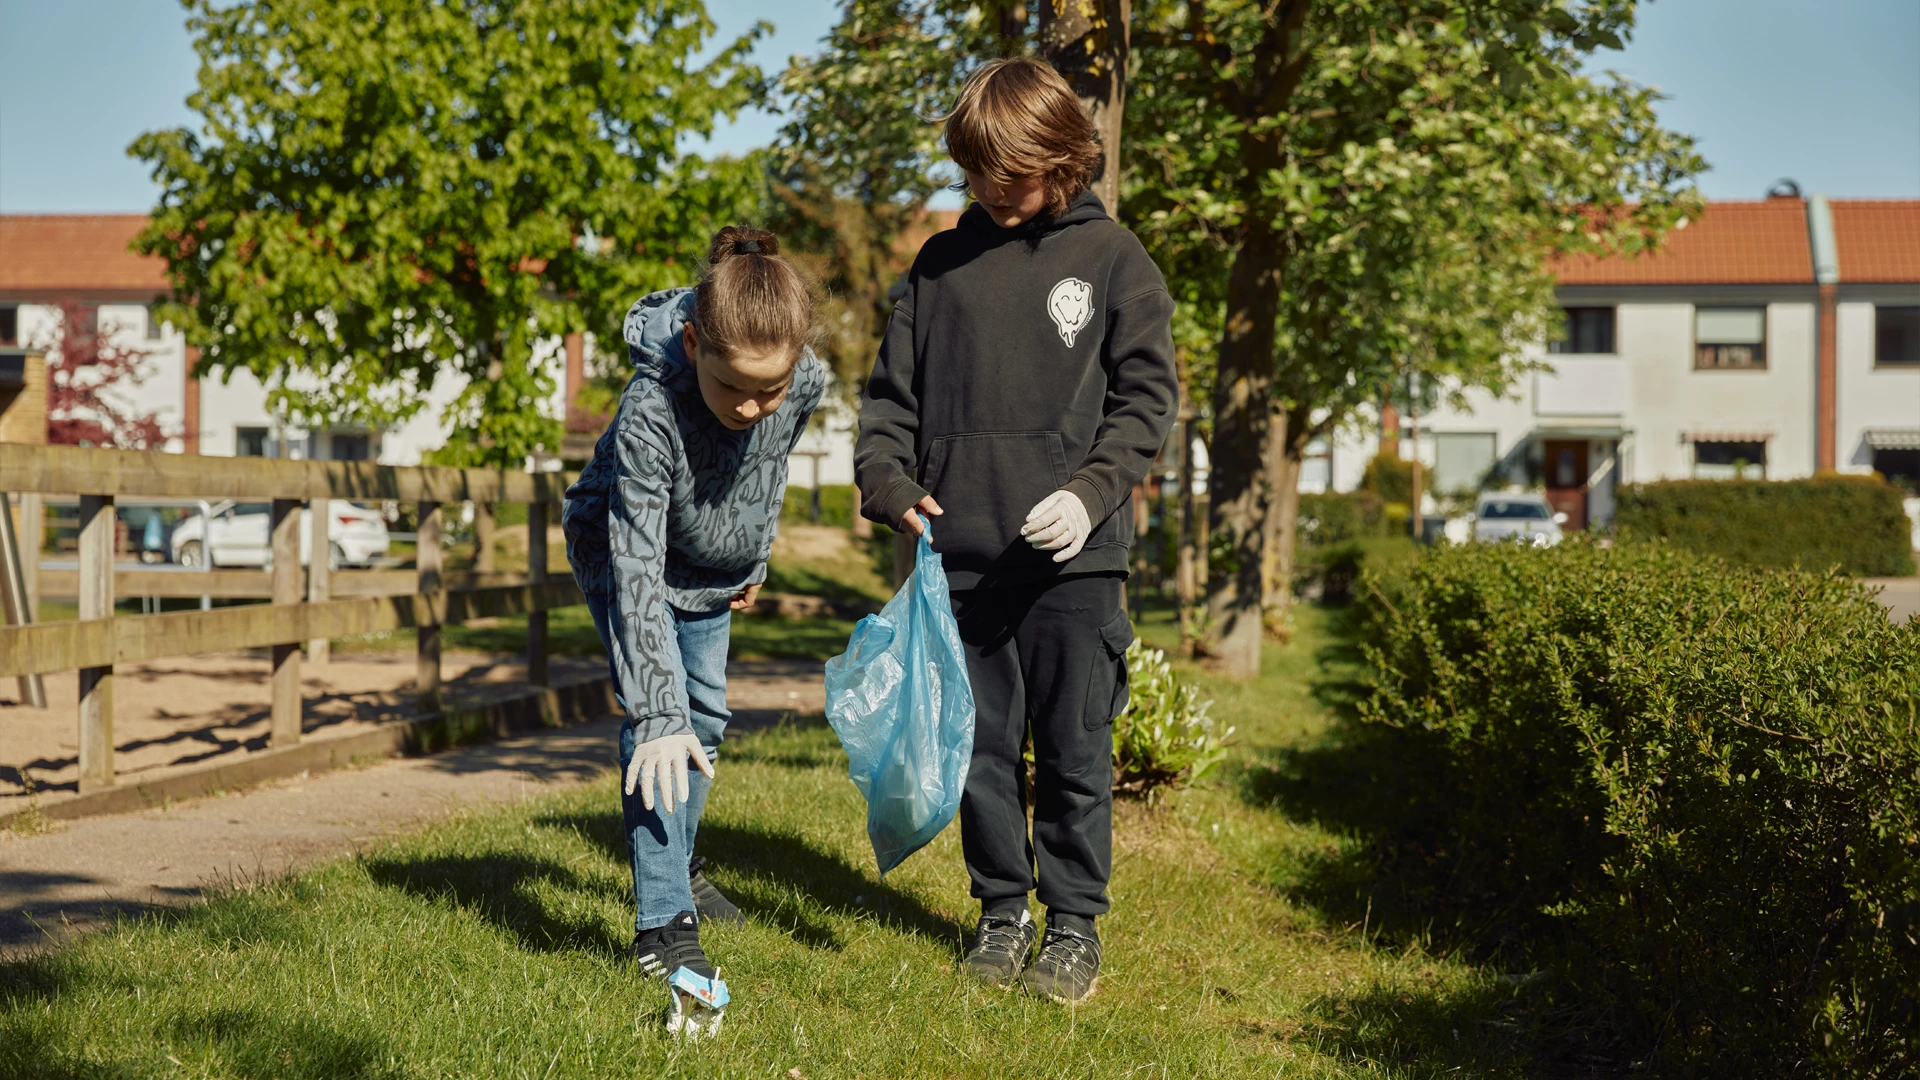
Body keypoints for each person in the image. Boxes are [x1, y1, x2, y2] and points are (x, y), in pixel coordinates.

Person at [854, 58, 1178, 1004]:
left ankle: (1073, 928)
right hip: (963, 562)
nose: (996, 194)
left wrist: (1090, 493)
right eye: (979, 175)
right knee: (980, 754)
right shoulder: (937, 267)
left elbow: (1147, 400)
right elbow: (889, 405)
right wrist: (889, 482)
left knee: (1076, 752)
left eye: (1017, 176)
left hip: (1077, 564)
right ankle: (1001, 914)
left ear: (1066, 159)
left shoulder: (1115, 262)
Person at [563, 226, 823, 1037]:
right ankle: (664, 921)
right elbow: (635, 559)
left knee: (705, 722)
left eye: (769, 390)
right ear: (691, 343)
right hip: (626, 551)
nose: (751, 408)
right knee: (664, 724)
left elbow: (766, 467)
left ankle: (677, 861)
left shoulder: (802, 382)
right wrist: (653, 708)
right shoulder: (650, 406)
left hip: (713, 564)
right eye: (730, 387)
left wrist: (757, 559)